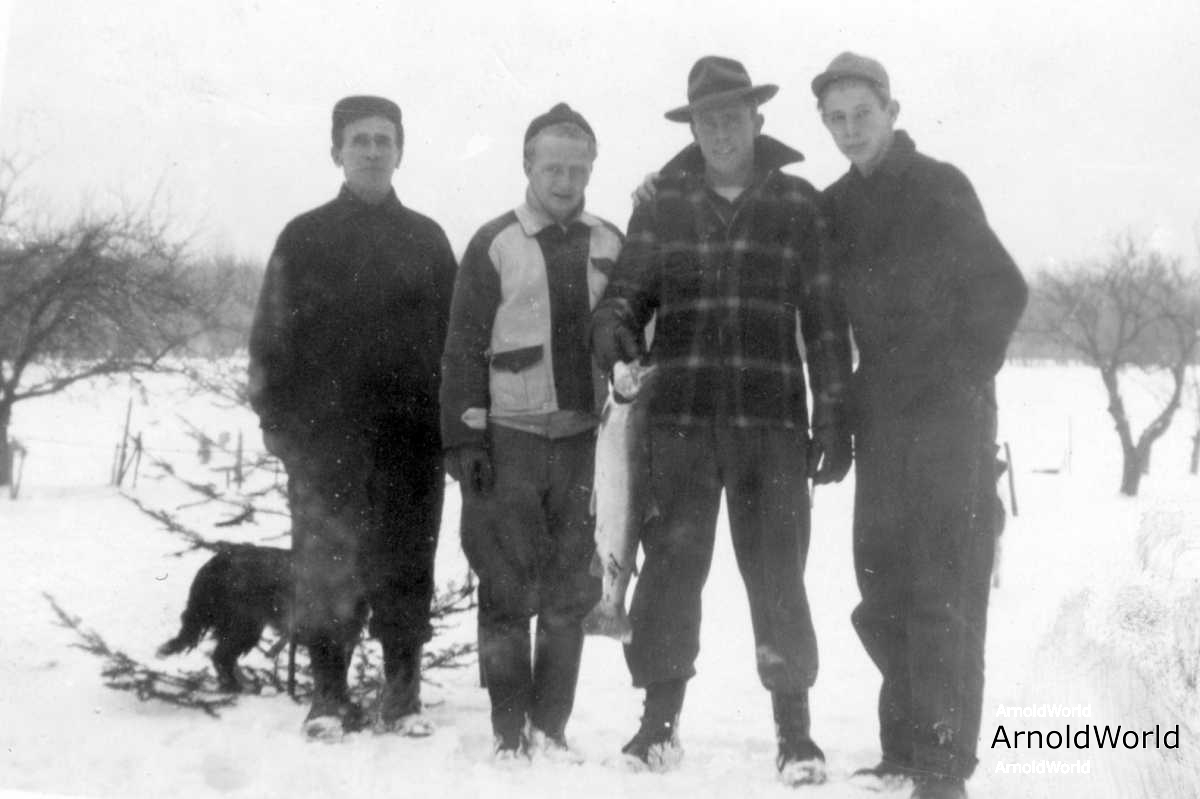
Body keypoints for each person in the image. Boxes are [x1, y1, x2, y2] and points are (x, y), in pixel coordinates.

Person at [590, 56, 853, 785]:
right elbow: (625, 296)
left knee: (778, 575)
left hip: (771, 425)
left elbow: (824, 320)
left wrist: (834, 413)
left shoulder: (799, 203)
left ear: (757, 119)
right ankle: (658, 724)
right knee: (670, 575)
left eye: (733, 117)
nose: (721, 131)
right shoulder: (663, 204)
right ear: (693, 128)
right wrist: (614, 331)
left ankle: (795, 734)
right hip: (678, 426)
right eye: (707, 120)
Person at [811, 53, 1028, 799]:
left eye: (862, 115)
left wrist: (962, 378)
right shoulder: (835, 206)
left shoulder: (939, 185)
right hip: (880, 411)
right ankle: (902, 748)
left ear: (892, 112)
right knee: (883, 583)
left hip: (949, 415)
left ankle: (943, 764)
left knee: (944, 588)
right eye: (836, 120)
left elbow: (1002, 288)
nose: (850, 130)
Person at [247, 95, 458, 741]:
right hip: (325, 441)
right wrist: (277, 424)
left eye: (383, 140)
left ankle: (402, 696)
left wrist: (452, 429)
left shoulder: (427, 239)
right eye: (359, 139)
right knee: (325, 566)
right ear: (336, 150)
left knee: (406, 563)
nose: (371, 151)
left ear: (400, 151)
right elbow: (270, 339)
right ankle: (329, 698)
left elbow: (457, 342)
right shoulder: (303, 236)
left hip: (410, 439)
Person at [440, 103, 622, 763]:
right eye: (553, 168)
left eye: (578, 169)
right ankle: (508, 728)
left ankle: (551, 724)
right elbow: (463, 345)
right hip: (510, 441)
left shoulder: (611, 243)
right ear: (528, 166)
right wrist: (466, 438)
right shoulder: (496, 242)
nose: (566, 181)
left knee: (571, 591)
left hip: (584, 443)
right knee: (506, 588)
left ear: (591, 169)